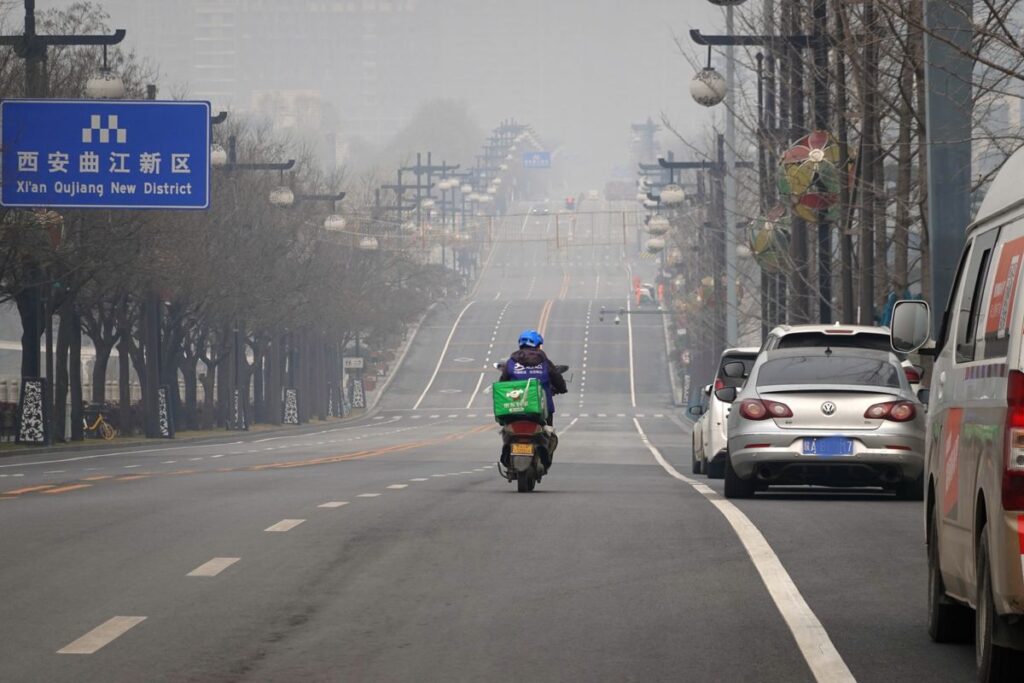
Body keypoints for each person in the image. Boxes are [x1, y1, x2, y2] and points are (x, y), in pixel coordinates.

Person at [499, 329, 567, 427]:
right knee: (549, 431)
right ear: (537, 345)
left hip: (515, 409)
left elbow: (502, 383)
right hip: (541, 411)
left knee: (506, 428)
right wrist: (562, 388)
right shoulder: (544, 362)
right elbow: (557, 378)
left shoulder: (511, 362)